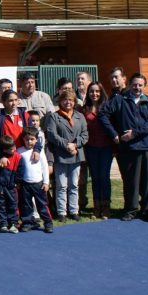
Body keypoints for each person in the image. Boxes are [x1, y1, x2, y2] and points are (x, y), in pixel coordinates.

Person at [99, 73, 148, 222]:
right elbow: (103, 115)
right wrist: (114, 134)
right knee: (131, 181)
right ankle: (131, 210)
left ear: (144, 86)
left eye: (140, 85)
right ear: (130, 85)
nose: (137, 87)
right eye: (135, 84)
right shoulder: (120, 100)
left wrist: (134, 133)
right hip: (129, 149)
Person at [44, 89, 88, 221]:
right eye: (65, 99)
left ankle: (74, 210)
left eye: (71, 100)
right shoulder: (54, 116)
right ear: (60, 101)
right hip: (61, 155)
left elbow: (85, 135)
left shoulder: (80, 116)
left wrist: (75, 144)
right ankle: (61, 211)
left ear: (74, 102)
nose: (68, 102)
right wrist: (66, 144)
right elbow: (52, 135)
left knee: (74, 184)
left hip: (76, 155)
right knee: (61, 185)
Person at [80, 82, 113, 219]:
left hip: (106, 147)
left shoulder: (107, 107)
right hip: (91, 148)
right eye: (92, 91)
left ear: (101, 92)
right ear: (88, 93)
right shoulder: (84, 109)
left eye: (97, 91)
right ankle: (96, 207)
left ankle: (106, 207)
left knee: (104, 177)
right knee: (94, 177)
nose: (94, 94)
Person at [17, 127, 54, 233]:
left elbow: (44, 167)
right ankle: (28, 223)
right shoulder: (19, 151)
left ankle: (48, 223)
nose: (29, 141)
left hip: (38, 184)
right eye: (27, 139)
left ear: (36, 140)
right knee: (26, 205)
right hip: (25, 184)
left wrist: (46, 182)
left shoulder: (40, 151)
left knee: (42, 205)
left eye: (32, 139)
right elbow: (18, 169)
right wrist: (18, 182)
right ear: (23, 139)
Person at [0, 135, 21, 234]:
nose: (13, 149)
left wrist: (16, 182)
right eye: (10, 149)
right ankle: (3, 224)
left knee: (12, 205)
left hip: (11, 186)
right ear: (4, 150)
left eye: (13, 147)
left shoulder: (18, 156)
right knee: (0, 205)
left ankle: (13, 223)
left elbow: (20, 171)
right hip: (0, 186)